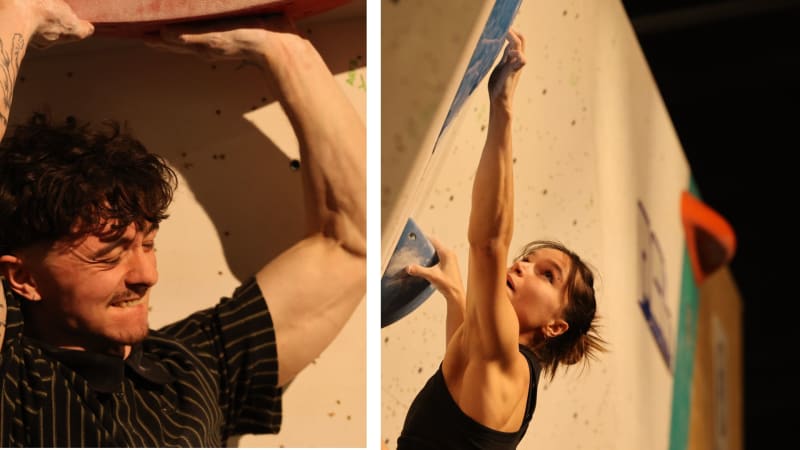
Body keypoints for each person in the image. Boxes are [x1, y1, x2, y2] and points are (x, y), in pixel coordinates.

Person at [0, 0, 365, 446]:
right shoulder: (17, 383)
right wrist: (13, 19)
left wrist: (285, 50)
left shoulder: (187, 374)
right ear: (23, 277)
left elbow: (353, 242)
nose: (146, 276)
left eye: (148, 245)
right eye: (110, 255)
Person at [396, 29, 605, 449]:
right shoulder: (487, 356)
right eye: (528, 259)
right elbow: (467, 330)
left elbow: (490, 244)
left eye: (547, 275)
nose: (523, 266)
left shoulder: (507, 365)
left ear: (555, 325)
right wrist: (454, 287)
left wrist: (502, 106)